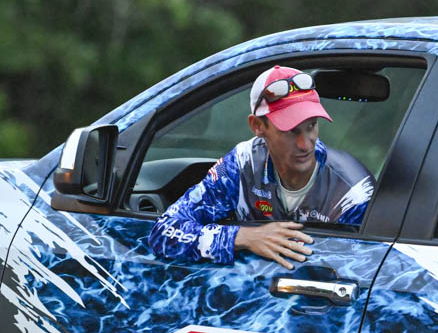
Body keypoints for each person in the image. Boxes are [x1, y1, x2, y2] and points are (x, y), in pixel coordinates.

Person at [148, 65, 375, 269]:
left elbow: (365, 269)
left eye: (311, 125)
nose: (305, 144)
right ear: (257, 126)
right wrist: (243, 237)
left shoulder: (353, 192)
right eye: (290, 130)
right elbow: (163, 232)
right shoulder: (241, 164)